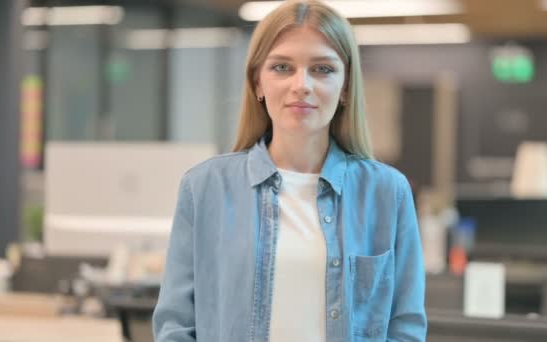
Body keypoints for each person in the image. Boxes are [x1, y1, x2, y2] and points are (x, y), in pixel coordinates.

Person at [152, 0, 427, 341]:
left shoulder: (387, 192)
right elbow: (175, 325)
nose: (302, 85)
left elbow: (406, 327)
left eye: (322, 69)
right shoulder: (204, 187)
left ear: (345, 87)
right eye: (282, 67)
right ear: (257, 83)